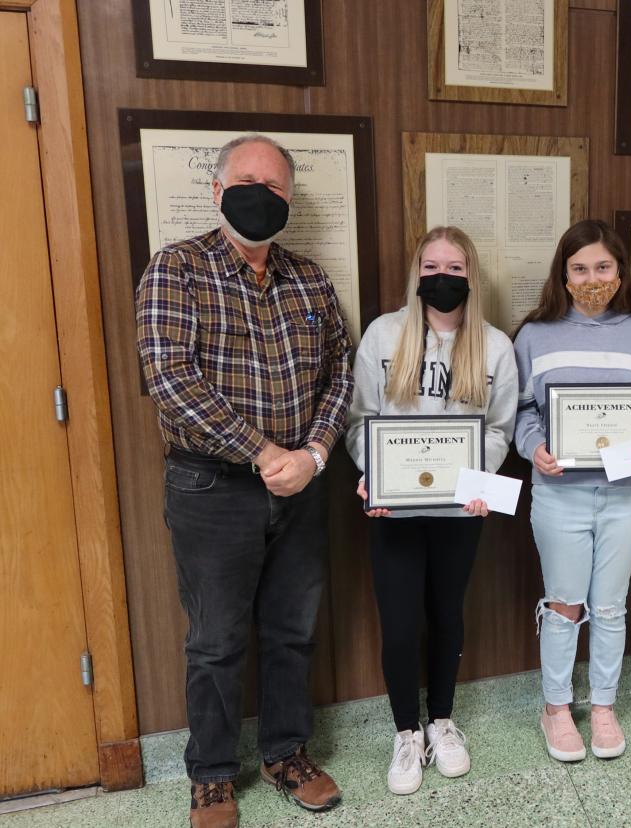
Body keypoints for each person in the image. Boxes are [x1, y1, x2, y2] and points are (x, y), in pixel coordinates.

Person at [135, 134, 352, 828]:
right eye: (249, 179)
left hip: (302, 483)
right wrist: (262, 452)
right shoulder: (177, 270)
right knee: (216, 639)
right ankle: (212, 776)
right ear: (218, 190)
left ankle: (287, 753)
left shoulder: (311, 279)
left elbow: (342, 374)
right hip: (213, 488)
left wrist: (314, 454)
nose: (264, 193)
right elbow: (169, 378)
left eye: (277, 186)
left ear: (290, 200)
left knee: (293, 630)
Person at [347, 226, 518, 795]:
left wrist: (481, 481)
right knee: (399, 624)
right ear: (415, 272)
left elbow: (500, 429)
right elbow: (359, 421)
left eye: (454, 267)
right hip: (394, 509)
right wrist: (373, 476)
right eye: (431, 266)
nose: (441, 277)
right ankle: (405, 732)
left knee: (447, 614)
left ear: (471, 275)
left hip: (460, 508)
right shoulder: (384, 335)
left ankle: (442, 721)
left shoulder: (493, 345)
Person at [513, 219, 631, 762]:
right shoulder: (535, 334)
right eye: (580, 268)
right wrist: (533, 446)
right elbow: (521, 411)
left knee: (610, 606)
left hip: (626, 491)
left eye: (602, 267)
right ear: (563, 274)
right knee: (564, 604)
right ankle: (556, 707)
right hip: (559, 493)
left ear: (619, 271)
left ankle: (603, 703)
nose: (592, 278)